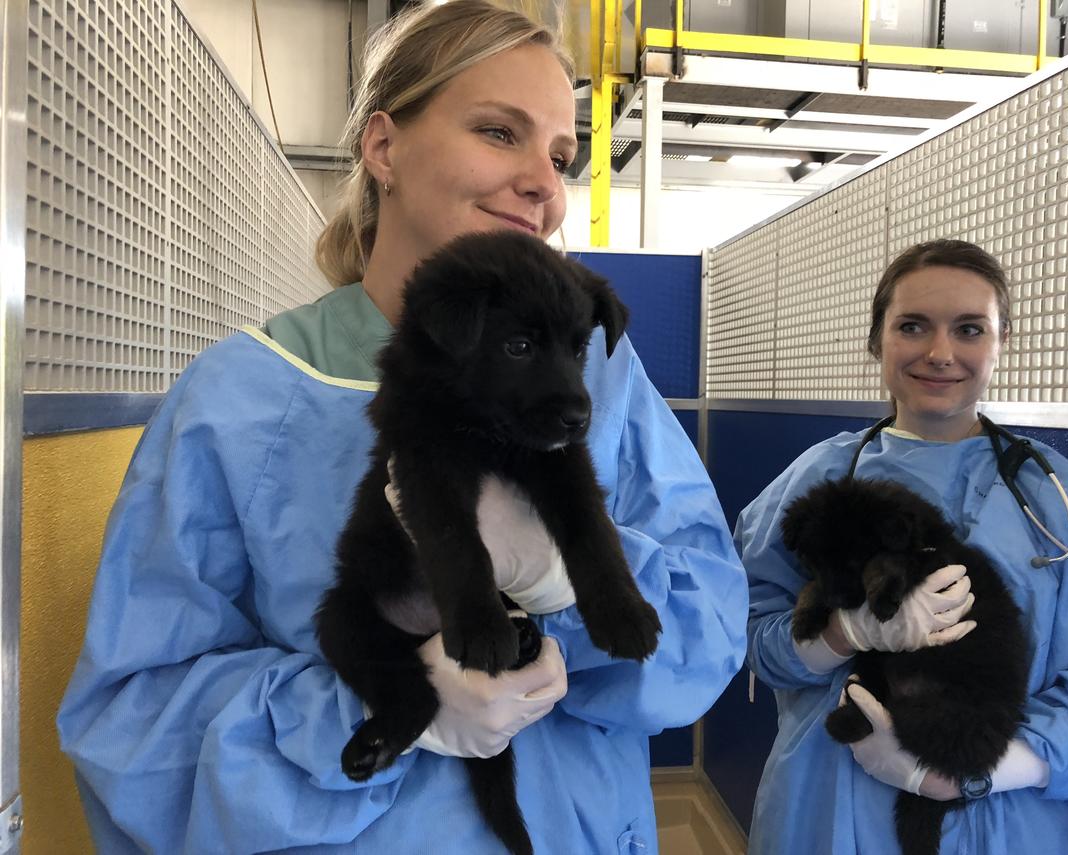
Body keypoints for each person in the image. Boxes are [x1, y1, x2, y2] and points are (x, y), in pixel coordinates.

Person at [56, 2, 747, 851]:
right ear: (384, 147)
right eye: (500, 132)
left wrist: (569, 585)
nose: (544, 181)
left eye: (560, 156)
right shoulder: (242, 397)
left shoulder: (600, 378)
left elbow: (709, 623)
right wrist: (377, 705)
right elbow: (135, 718)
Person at [737, 239, 1068, 854]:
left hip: (1018, 816)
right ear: (878, 341)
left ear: (1001, 344)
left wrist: (976, 775)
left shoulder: (1061, 504)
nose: (940, 352)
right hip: (834, 804)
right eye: (913, 326)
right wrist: (844, 632)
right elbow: (749, 638)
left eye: (970, 329)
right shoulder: (819, 482)